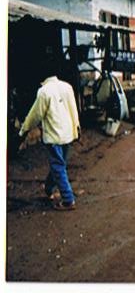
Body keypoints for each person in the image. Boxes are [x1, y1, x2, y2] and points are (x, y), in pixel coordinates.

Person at [19, 65, 80, 211]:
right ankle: (49, 188)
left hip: (53, 136)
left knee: (58, 166)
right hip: (68, 133)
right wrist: (77, 127)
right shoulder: (67, 87)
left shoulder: (43, 92)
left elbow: (35, 115)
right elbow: (74, 109)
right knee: (59, 164)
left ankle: (68, 199)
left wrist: (23, 130)